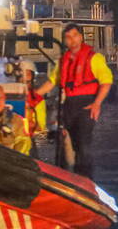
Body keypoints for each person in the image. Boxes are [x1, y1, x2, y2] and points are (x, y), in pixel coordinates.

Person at [35, 23, 113, 178]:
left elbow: (106, 81)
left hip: (86, 105)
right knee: (63, 142)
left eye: (75, 36)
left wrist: (97, 103)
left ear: (81, 37)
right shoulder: (63, 61)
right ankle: (64, 176)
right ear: (64, 40)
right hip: (68, 105)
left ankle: (86, 180)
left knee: (83, 145)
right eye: (68, 37)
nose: (72, 40)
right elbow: (52, 82)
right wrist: (33, 95)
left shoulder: (94, 58)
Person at [20, 60, 46, 136]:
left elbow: (40, 127)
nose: (24, 76)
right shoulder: (6, 96)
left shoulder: (38, 100)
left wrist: (31, 122)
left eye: (27, 73)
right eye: (22, 74)